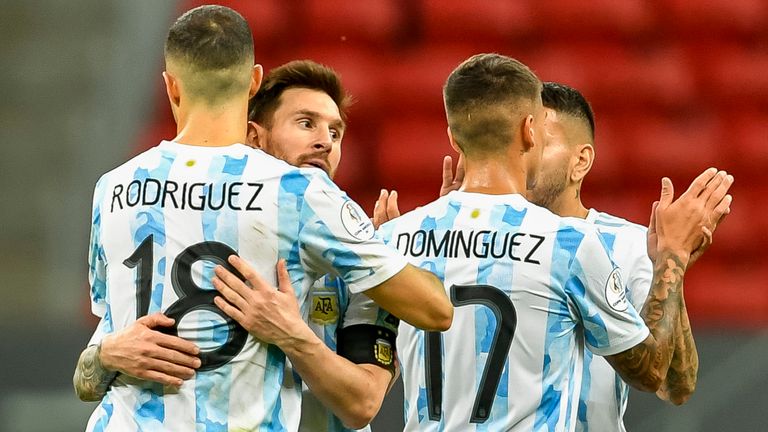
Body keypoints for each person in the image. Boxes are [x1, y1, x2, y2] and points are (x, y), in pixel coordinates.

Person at [72, 6, 451, 431]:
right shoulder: (298, 193)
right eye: (306, 123)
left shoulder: (114, 189)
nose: (324, 142)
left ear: (171, 87)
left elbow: (91, 365)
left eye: (334, 130)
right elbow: (437, 311)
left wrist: (102, 355)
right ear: (253, 82)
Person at [365, 53, 730, 430]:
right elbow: (650, 371)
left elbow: (676, 384)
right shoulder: (572, 244)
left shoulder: (395, 238)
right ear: (529, 131)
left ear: (454, 138)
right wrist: (673, 257)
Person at [526, 82, 732, 431]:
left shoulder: (627, 245)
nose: (525, 158)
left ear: (581, 161)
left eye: (540, 146)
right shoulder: (486, 237)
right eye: (520, 146)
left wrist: (672, 260)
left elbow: (675, 385)